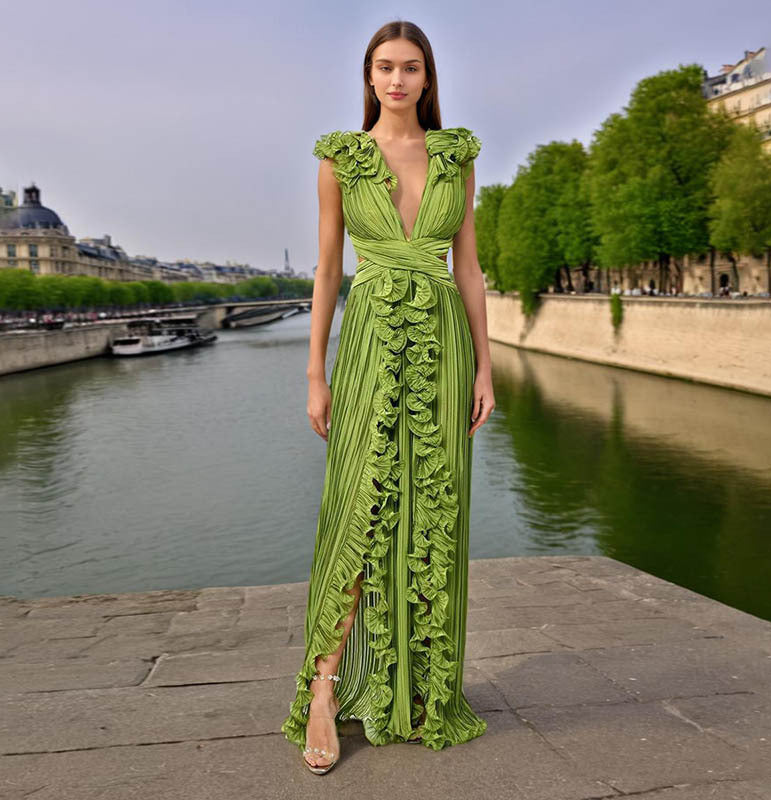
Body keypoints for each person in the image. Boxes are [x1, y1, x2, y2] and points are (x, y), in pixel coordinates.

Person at [280, 19, 494, 775]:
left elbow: (467, 268)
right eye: (384, 67)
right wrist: (316, 372)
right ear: (368, 77)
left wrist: (485, 368)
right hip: (371, 339)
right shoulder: (341, 159)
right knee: (362, 508)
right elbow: (328, 270)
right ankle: (324, 688)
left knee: (430, 508)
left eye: (410, 68)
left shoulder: (456, 156)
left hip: (443, 345)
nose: (397, 80)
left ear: (428, 78)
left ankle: (423, 689)